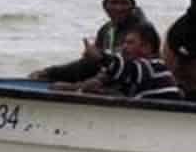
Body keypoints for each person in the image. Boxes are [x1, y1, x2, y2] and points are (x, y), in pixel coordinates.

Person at [32, 0, 147, 82]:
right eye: (114, 3)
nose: (119, 8)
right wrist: (50, 72)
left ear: (133, 5)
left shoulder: (142, 31)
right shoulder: (106, 30)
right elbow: (91, 65)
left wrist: (77, 86)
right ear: (104, 6)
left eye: (124, 3)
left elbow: (130, 69)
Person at [50, 23, 180, 101]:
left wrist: (100, 57)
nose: (124, 47)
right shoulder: (133, 71)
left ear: (146, 47)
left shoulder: (153, 66)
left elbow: (126, 70)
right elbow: (105, 79)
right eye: (123, 42)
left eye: (130, 42)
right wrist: (75, 88)